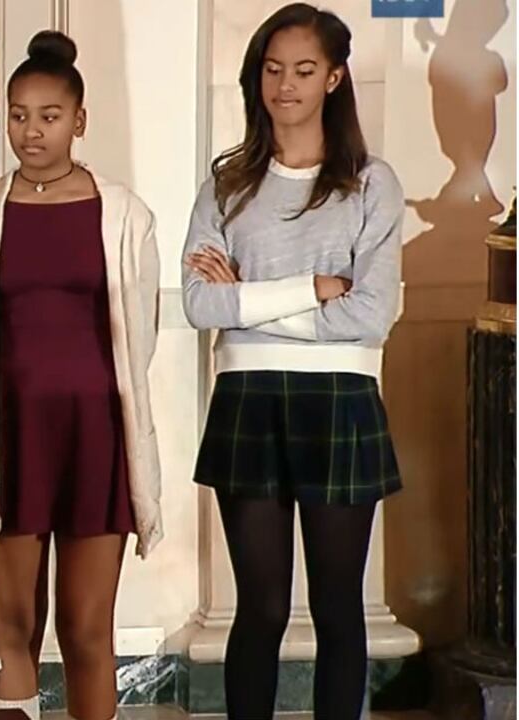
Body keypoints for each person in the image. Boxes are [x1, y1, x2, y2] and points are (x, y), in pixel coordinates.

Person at [181, 4, 404, 718]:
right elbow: (197, 304)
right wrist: (310, 289)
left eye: (304, 71)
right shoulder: (226, 184)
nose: (286, 86)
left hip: (341, 397)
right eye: (273, 70)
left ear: (334, 79)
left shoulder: (372, 183)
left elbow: (370, 315)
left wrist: (245, 297)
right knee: (261, 609)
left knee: (339, 610)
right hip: (248, 396)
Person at [0, 30, 163, 720]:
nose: (30, 131)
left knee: (88, 630)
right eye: (17, 115)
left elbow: (142, 333)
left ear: (79, 121)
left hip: (97, 437)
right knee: (13, 625)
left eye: (48, 116)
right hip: (12, 435)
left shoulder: (124, 213)